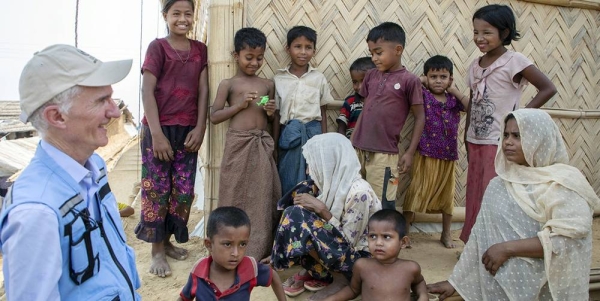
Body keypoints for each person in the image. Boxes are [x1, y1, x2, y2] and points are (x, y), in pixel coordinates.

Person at [0, 44, 141, 300]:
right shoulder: (36, 212)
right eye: (101, 101)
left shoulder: (94, 166)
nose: (114, 112)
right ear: (57, 117)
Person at [428, 109, 599, 300]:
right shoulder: (499, 184)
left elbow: (567, 241)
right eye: (506, 135)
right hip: (498, 289)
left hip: (546, 291)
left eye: (517, 136)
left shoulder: (563, 185)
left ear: (539, 139)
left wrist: (507, 248)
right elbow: (478, 238)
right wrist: (455, 281)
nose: (508, 142)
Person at [460, 4, 557, 243]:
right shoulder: (476, 65)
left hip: (499, 143)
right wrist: (466, 133)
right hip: (476, 140)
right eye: (475, 32)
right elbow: (473, 100)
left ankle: (496, 245)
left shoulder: (514, 61)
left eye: (487, 32)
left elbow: (548, 88)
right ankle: (476, 245)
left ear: (504, 33)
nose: (479, 38)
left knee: (495, 195)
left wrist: (519, 121)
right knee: (475, 194)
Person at [135, 0, 209, 278]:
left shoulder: (200, 50)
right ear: (165, 16)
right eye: (176, 13)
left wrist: (200, 128)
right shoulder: (157, 47)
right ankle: (156, 251)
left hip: (188, 130)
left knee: (183, 190)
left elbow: (203, 91)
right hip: (159, 130)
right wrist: (156, 134)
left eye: (188, 13)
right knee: (157, 189)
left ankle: (167, 242)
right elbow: (147, 90)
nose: (182, 18)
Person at [271, 133, 382, 300]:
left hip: (358, 262)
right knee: (302, 192)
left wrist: (322, 210)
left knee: (297, 215)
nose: (308, 171)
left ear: (331, 163)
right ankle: (313, 269)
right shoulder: (326, 186)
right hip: (334, 252)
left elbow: (349, 243)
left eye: (312, 164)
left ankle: (341, 279)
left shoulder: (360, 193)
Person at [210, 27, 281, 260]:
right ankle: (226, 246)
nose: (254, 62)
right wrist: (238, 106)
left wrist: (270, 113)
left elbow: (272, 119)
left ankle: (257, 249)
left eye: (259, 57)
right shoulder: (228, 84)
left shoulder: (267, 84)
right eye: (248, 57)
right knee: (232, 192)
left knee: (261, 196)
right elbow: (214, 116)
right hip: (237, 145)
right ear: (236, 55)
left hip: (261, 144)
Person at [351, 22, 425, 210]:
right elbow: (366, 107)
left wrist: (409, 153)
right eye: (371, 53)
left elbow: (420, 117)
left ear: (398, 49)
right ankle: (360, 238)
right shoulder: (371, 76)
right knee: (355, 196)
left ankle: (382, 239)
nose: (374, 58)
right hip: (359, 149)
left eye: (378, 52)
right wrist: (353, 139)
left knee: (381, 203)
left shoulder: (410, 81)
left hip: (385, 154)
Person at [403, 55, 468, 249]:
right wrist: (421, 80)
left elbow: (470, 106)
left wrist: (454, 89)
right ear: (426, 77)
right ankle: (405, 233)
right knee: (415, 191)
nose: (438, 80)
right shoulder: (423, 95)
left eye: (443, 76)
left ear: (450, 78)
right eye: (433, 77)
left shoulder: (454, 100)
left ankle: (446, 233)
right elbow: (409, 85)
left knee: (447, 197)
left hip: (448, 155)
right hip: (425, 153)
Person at [273, 25, 334, 196]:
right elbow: (277, 114)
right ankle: (288, 218)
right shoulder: (279, 79)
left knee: (312, 179)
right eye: (297, 46)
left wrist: (323, 143)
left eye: (308, 47)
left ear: (314, 50)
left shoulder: (318, 78)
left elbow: (323, 112)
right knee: (288, 178)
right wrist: (276, 146)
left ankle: (309, 219)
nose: (303, 52)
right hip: (289, 135)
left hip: (312, 134)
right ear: (288, 49)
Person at [178, 206, 286, 301]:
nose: (236, 253)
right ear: (209, 244)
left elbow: (273, 276)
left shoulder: (250, 268)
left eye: (242, 244)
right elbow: (184, 298)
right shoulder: (199, 272)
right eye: (228, 244)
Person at [324, 209, 428, 301]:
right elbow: (353, 289)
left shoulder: (410, 268)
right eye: (372, 236)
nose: (378, 243)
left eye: (386, 237)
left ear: (403, 242)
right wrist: (332, 299)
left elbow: (419, 282)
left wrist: (423, 295)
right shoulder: (362, 266)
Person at [336, 57, 375, 139]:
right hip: (352, 146)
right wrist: (343, 143)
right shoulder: (350, 102)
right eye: (355, 82)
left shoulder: (380, 102)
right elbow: (341, 126)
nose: (359, 86)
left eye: (363, 81)